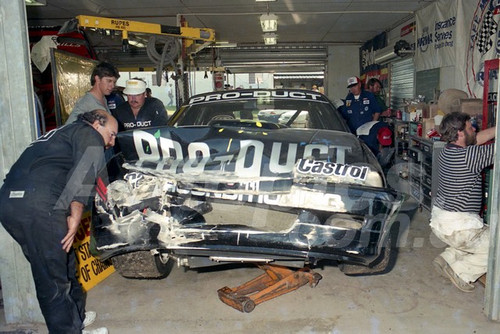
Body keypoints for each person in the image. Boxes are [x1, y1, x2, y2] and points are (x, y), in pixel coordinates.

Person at [0, 110, 117, 334]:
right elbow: (83, 173)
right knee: (53, 279)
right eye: (111, 135)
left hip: (11, 204)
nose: (111, 142)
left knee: (63, 263)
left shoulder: (60, 133)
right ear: (96, 124)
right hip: (39, 205)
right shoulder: (88, 133)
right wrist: (75, 215)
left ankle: (76, 321)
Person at [430, 111, 495, 292]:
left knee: (480, 236)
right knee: (495, 242)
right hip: (459, 227)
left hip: (440, 223)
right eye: (469, 127)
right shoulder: (470, 157)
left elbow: (475, 140)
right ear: (460, 133)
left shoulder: (447, 150)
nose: (474, 129)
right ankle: (461, 272)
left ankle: (447, 258)